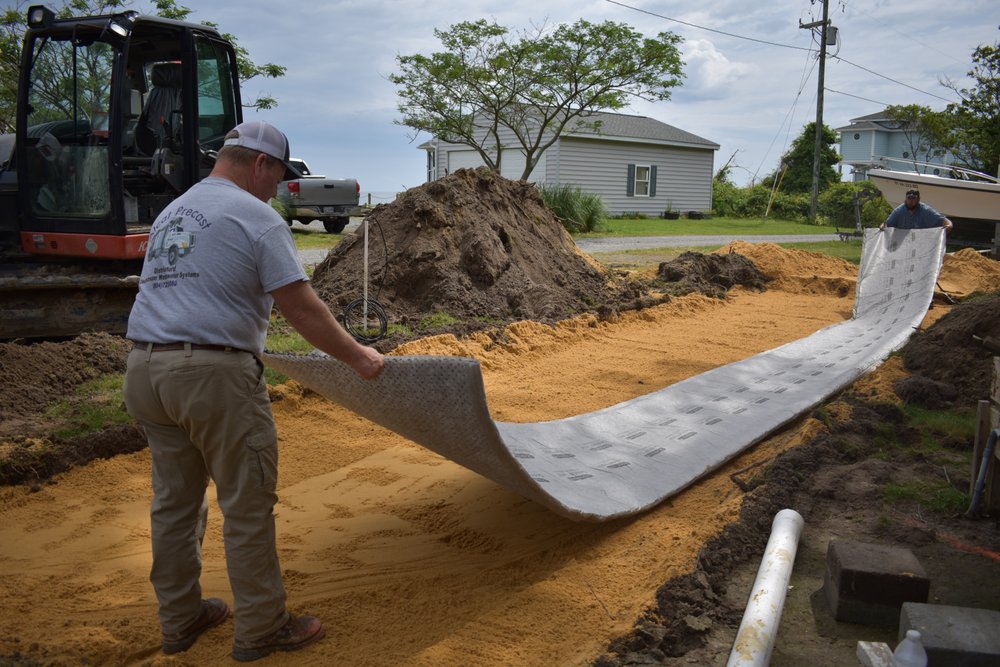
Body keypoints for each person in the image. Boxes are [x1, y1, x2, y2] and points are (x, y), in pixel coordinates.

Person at [123, 120, 385, 661]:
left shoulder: (176, 210)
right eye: (278, 176)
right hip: (211, 376)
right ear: (260, 163)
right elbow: (301, 307)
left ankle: (180, 619)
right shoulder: (255, 217)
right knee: (246, 503)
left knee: (174, 504)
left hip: (145, 369)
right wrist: (360, 357)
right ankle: (263, 626)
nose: (278, 188)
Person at [879, 188, 953, 233]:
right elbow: (887, 224)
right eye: (909, 198)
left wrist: (949, 225)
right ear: (905, 199)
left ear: (918, 199)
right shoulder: (898, 211)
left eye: (913, 198)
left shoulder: (926, 210)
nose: (911, 201)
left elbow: (945, 221)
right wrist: (883, 226)